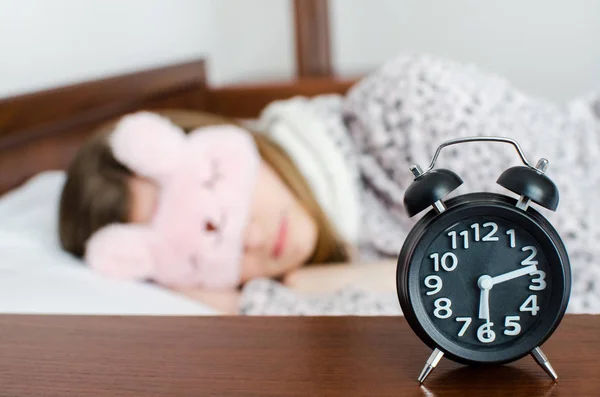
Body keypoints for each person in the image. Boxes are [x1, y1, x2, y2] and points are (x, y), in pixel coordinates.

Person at [59, 54, 600, 315]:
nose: (244, 238)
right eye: (201, 255)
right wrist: (287, 291)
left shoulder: (406, 108)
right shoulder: (310, 276)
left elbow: (571, 281)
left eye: (219, 196)